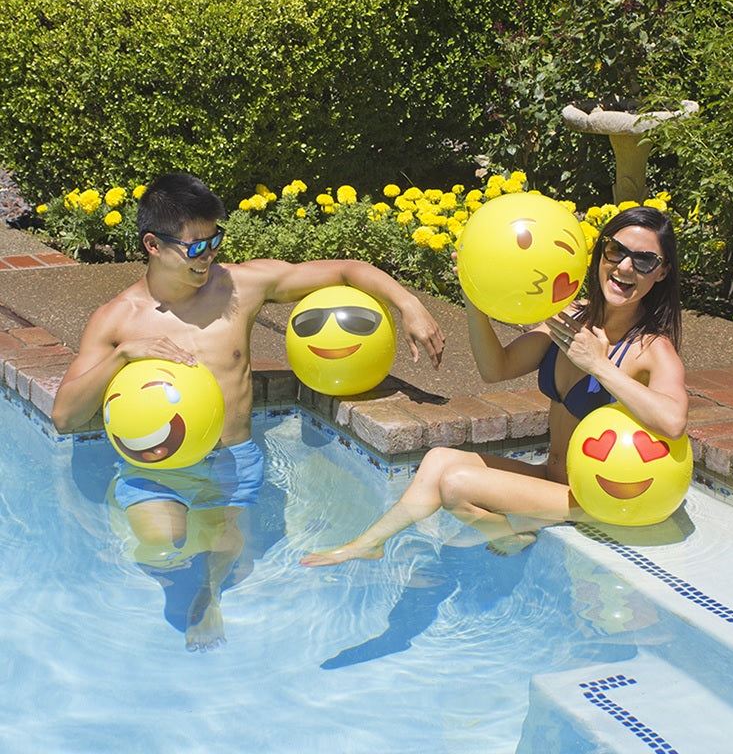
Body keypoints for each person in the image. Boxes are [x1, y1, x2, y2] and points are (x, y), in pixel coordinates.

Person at [52, 172, 446, 651]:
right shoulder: (118, 320)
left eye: (215, 241)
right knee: (161, 548)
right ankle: (183, 586)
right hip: (156, 469)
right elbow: (64, 417)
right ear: (153, 245)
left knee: (229, 556)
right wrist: (121, 356)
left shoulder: (241, 286)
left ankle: (209, 596)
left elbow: (346, 269)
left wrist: (409, 304)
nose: (209, 256)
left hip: (229, 464)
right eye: (195, 247)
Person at [301, 205, 688, 566]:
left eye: (643, 260)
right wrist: (473, 297)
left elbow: (673, 422)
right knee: (438, 459)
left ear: (662, 271)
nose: (624, 267)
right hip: (551, 481)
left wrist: (599, 366)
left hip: (593, 500)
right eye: (615, 250)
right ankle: (370, 543)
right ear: (601, 253)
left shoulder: (652, 349)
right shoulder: (571, 319)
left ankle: (509, 533)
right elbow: (495, 368)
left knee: (455, 485)